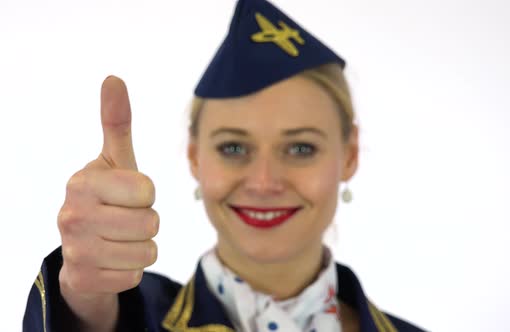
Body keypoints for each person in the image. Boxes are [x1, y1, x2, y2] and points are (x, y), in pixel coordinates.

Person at [23, 0, 426, 331]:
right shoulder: (133, 319)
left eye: (301, 148)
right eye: (234, 148)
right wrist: (85, 303)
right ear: (195, 157)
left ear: (350, 154)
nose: (264, 182)